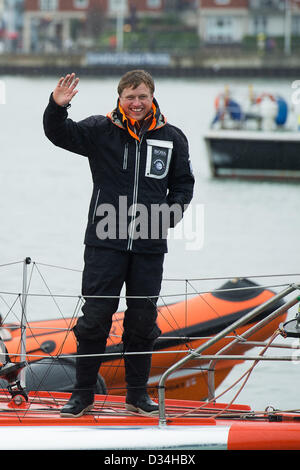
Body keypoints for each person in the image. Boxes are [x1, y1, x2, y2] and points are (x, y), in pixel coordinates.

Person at [43, 70, 194, 418]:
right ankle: (81, 396)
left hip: (149, 245)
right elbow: (58, 133)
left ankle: (136, 397)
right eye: (130, 97)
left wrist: (168, 216)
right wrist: (57, 107)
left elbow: (184, 185)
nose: (136, 103)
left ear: (152, 96)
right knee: (95, 319)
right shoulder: (100, 130)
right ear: (120, 99)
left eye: (142, 96)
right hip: (104, 242)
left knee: (142, 321)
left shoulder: (173, 138)